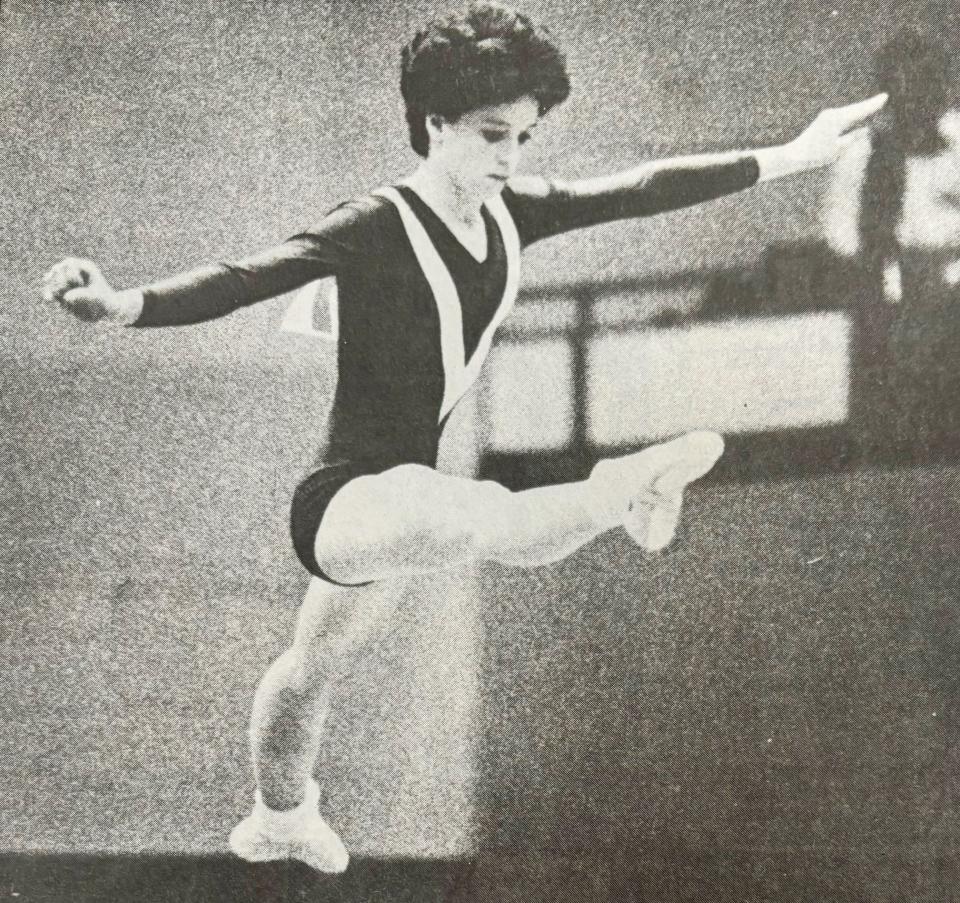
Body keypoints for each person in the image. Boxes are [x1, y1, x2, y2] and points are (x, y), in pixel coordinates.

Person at [42, 2, 885, 875]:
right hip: (345, 498)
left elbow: (640, 188)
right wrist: (120, 304)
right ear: (434, 124)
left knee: (309, 667)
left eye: (523, 136)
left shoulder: (513, 213)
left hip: (407, 494)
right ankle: (621, 488)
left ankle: (278, 813)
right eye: (491, 135)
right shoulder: (374, 224)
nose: (510, 159)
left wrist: (795, 153)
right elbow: (246, 277)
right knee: (487, 516)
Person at [823, 29, 960, 456]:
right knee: (897, 420)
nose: (915, 99)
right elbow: (838, 230)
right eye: (902, 87)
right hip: (895, 299)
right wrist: (893, 252)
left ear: (942, 87)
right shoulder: (864, 153)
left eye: (924, 83)